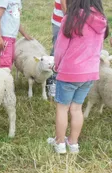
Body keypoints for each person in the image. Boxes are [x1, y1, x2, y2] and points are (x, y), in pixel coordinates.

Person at [47, 0, 109, 154]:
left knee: (62, 108)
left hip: (69, 72)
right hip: (90, 74)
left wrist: (57, 64)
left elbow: (60, 47)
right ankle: (73, 143)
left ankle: (60, 143)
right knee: (77, 108)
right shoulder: (101, 21)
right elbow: (99, 47)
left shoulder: (71, 18)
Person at [0, 0, 32, 70]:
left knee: (10, 60)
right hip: (5, 35)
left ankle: (4, 78)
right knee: (5, 64)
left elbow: (16, 19)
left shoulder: (18, 1)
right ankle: (1, 79)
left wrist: (24, 34)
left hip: (12, 36)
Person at [46, 0, 68, 98]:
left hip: (76, 21)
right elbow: (63, 3)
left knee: (70, 52)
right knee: (57, 51)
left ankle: (66, 79)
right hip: (61, 21)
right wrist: (71, 20)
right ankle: (52, 81)